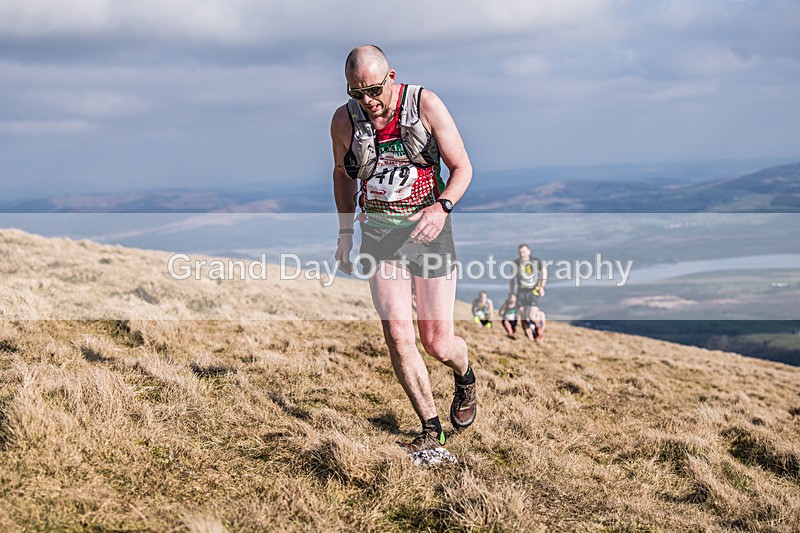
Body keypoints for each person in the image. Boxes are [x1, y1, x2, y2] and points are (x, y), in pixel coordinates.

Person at [330, 45, 475, 453]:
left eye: (374, 90)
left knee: (437, 342)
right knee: (397, 334)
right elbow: (343, 175)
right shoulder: (344, 120)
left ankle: (464, 375)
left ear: (391, 76)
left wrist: (442, 207)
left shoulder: (425, 104)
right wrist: (345, 233)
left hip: (428, 232)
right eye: (356, 93)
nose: (367, 102)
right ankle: (431, 429)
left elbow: (463, 168)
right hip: (379, 236)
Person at [509, 243, 547, 342]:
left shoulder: (536, 262)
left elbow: (544, 272)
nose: (522, 254)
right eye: (520, 252)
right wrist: (512, 293)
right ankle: (531, 340)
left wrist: (542, 286)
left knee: (531, 316)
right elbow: (512, 280)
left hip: (533, 291)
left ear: (529, 252)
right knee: (523, 318)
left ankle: (539, 329)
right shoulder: (516, 264)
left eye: (524, 252)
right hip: (521, 292)